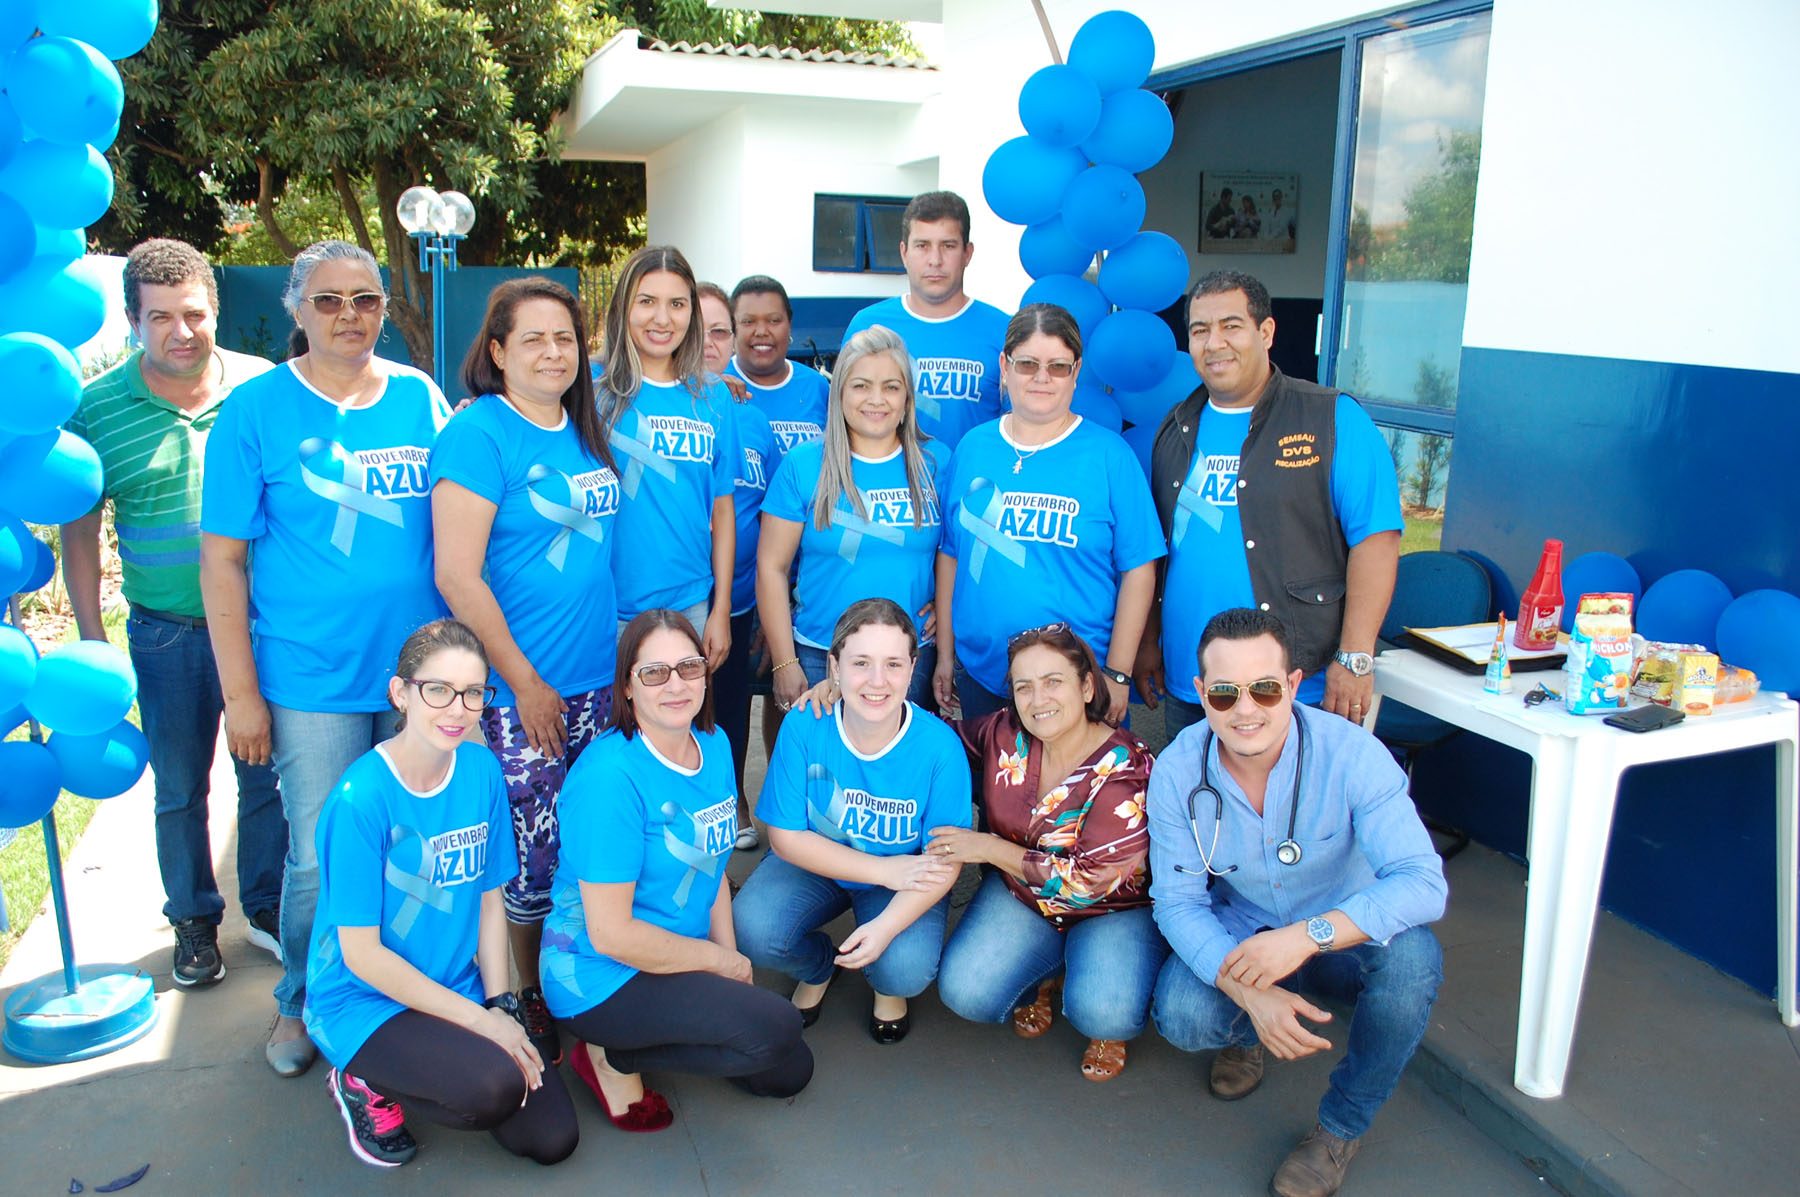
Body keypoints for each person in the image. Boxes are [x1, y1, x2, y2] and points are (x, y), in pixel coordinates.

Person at [202, 239, 452, 1077]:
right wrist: (241, 693)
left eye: (367, 299)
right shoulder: (256, 411)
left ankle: (399, 992)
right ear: (297, 311)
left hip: (420, 679)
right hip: (312, 681)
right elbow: (223, 560)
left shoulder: (419, 397)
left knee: (411, 845)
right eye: (330, 301)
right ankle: (302, 1002)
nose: (350, 315)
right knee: (317, 854)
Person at [1148, 608, 1446, 1197]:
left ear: (1292, 684)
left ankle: (1341, 1127)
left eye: (1263, 688)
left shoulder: (1353, 754)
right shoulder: (1179, 768)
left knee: (1414, 962)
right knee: (1182, 1015)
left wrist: (1307, 937)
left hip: (1342, 928)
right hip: (1250, 924)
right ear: (1202, 693)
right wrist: (1250, 993)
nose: (1246, 709)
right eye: (1225, 694)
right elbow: (1177, 903)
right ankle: (1250, 1033)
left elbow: (1422, 882)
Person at [61, 238, 285, 988]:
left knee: (266, 782)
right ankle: (193, 920)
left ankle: (268, 907)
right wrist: (93, 641)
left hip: (261, 629)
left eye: (194, 313)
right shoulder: (97, 412)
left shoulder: (261, 392)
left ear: (214, 311)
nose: (181, 331)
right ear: (132, 321)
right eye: (161, 318)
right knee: (181, 788)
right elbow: (80, 532)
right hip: (165, 636)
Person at [304, 619, 577, 1168]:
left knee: (552, 1139)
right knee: (489, 1090)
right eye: (438, 690)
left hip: (455, 985)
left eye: (473, 693)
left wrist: (502, 1004)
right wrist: (482, 1023)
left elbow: (488, 897)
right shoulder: (360, 801)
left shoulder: (479, 770)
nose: (457, 709)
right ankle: (359, 1078)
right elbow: (361, 956)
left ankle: (451, 1049)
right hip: (366, 1000)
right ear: (400, 693)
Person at [430, 277, 620, 1064]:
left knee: (584, 839)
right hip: (521, 691)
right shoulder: (480, 434)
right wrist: (526, 682)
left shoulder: (585, 428)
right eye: (533, 338)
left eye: (566, 337)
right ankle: (524, 995)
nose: (553, 351)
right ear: (498, 350)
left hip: (596, 683)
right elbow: (458, 576)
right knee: (528, 856)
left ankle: (575, 974)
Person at [539, 610, 813, 1130]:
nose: (675, 685)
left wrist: (729, 959)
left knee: (787, 1070)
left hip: (677, 955)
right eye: (654, 673)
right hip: (602, 974)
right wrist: (719, 964)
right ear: (627, 687)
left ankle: (644, 1039)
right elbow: (613, 935)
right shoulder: (610, 780)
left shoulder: (712, 747)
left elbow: (711, 872)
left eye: (689, 667)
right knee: (776, 1027)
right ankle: (611, 1055)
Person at [1135, 270, 1400, 740]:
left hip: (1293, 685)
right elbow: (1157, 555)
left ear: (1266, 332)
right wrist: (1149, 642)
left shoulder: (1331, 418)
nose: (1214, 342)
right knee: (1197, 807)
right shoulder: (1174, 431)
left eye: (1231, 326)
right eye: (1200, 330)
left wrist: (1355, 656)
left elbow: (1376, 541)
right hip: (1192, 683)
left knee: (1291, 813)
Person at [931, 623, 1164, 1082]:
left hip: (1111, 910)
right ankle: (1047, 968)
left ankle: (1097, 994)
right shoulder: (1003, 733)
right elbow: (936, 742)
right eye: (1024, 687)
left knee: (1104, 1011)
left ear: (1086, 685)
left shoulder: (1127, 767)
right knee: (967, 990)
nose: (1039, 701)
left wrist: (990, 848)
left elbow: (1087, 884)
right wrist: (857, 697)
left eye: (1053, 682)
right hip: (1024, 898)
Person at [734, 599, 971, 1045]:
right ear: (834, 666)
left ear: (913, 667)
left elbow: (945, 860)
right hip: (823, 863)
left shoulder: (939, 747)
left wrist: (884, 927)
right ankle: (819, 966)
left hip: (901, 879)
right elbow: (785, 837)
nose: (877, 681)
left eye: (893, 664)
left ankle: (884, 982)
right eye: (860, 663)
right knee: (754, 927)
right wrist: (882, 869)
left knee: (904, 969)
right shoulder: (806, 724)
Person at [936, 303, 1164, 725]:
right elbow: (951, 554)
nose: (1042, 378)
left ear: (1077, 372)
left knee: (1079, 794)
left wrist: (1117, 671)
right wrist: (946, 654)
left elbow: (1139, 570)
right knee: (993, 791)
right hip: (982, 677)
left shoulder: (1110, 456)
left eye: (1058, 367)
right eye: (1027, 364)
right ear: (1004, 367)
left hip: (1078, 683)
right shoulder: (972, 447)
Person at [757, 326, 947, 720]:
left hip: (908, 659)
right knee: (820, 774)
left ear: (908, 397)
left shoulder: (936, 464)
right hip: (819, 653)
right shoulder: (804, 464)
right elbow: (772, 568)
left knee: (896, 775)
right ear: (840, 391)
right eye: (861, 385)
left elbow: (955, 554)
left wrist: (945, 609)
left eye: (891, 387)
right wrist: (784, 662)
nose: (876, 400)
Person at [597, 246, 738, 667]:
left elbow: (723, 511)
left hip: (690, 604)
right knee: (616, 731)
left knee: (678, 728)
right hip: (608, 605)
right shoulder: (590, 389)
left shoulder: (713, 397)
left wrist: (721, 609)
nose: (663, 319)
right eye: (647, 302)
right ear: (623, 307)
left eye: (677, 304)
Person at [841, 191, 1009, 451]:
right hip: (889, 488)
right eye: (922, 246)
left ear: (968, 253)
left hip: (973, 487)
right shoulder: (868, 325)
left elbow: (1019, 426)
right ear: (904, 252)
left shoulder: (1003, 331)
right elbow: (841, 417)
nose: (935, 259)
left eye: (948, 245)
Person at [700, 281, 776, 850]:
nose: (708, 341)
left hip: (739, 601)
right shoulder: (625, 398)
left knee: (727, 719)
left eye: (720, 330)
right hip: (668, 603)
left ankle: (730, 809)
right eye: (696, 328)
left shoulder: (750, 415)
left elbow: (773, 513)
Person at [724, 274, 830, 466]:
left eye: (773, 321)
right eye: (748, 321)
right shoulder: (716, 385)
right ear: (733, 326)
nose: (762, 331)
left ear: (789, 325)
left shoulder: (817, 387)